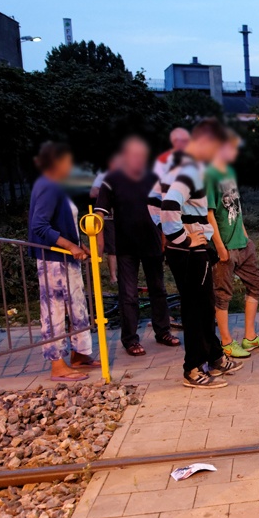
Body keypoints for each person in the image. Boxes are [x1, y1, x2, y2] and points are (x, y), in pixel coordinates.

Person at [158, 118, 243, 388]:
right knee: (195, 310)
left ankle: (213, 356)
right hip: (188, 252)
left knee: (205, 307)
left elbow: (154, 201)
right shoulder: (190, 170)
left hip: (196, 250)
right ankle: (193, 369)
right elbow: (168, 204)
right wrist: (182, 239)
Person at [95, 137, 180, 356]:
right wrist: (98, 241)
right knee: (129, 295)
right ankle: (130, 339)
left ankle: (163, 331)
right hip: (126, 247)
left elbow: (166, 209)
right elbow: (100, 212)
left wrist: (166, 238)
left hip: (152, 243)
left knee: (158, 290)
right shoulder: (112, 180)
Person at [27, 142, 100, 382]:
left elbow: (62, 223)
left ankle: (80, 354)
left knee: (76, 305)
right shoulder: (49, 186)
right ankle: (57, 366)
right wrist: (70, 246)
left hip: (66, 258)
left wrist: (79, 246)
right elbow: (39, 226)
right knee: (55, 311)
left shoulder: (54, 185)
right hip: (53, 260)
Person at [207, 129, 259, 358]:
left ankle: (250, 337)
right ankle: (225, 342)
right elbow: (209, 214)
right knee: (223, 295)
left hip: (242, 244)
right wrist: (220, 247)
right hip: (225, 248)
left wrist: (246, 237)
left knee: (257, 285)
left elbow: (236, 208)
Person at [90, 154, 121, 284]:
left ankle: (125, 276)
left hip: (123, 216)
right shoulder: (104, 175)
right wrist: (108, 192)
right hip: (107, 216)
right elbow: (93, 193)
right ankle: (113, 277)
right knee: (111, 246)